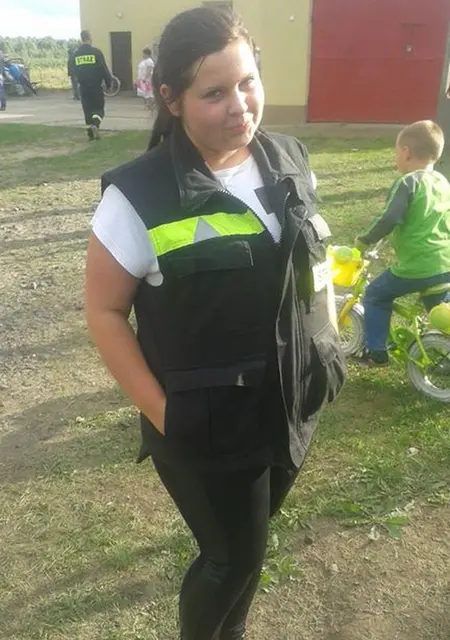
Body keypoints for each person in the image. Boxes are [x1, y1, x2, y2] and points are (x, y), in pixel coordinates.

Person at [85, 7, 345, 640]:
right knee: (230, 558)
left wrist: (328, 339)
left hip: (293, 402)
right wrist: (164, 414)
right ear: (170, 98)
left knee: (249, 549)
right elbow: (104, 311)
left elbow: (310, 262)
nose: (240, 106)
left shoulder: (290, 157)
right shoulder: (137, 196)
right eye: (215, 92)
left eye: (248, 81)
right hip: (209, 426)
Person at [356, 120, 450, 366]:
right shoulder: (442, 182)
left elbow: (389, 218)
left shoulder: (408, 182)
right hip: (445, 263)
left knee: (375, 295)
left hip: (417, 265)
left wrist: (365, 240)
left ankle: (376, 351)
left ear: (406, 152)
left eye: (396, 152)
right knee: (441, 313)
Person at [73, 30, 112, 141]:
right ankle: (96, 124)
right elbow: (104, 69)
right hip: (96, 87)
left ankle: (90, 134)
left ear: (81, 39)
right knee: (99, 109)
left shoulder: (76, 54)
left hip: (83, 88)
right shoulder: (96, 52)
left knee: (87, 111)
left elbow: (72, 71)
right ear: (90, 38)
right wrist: (108, 83)